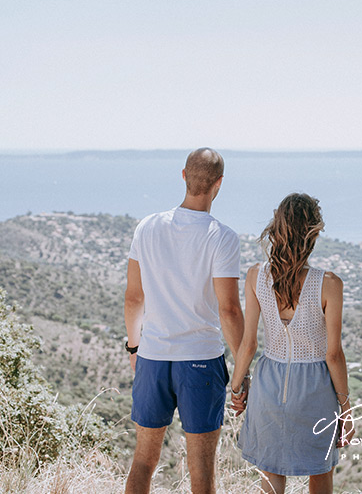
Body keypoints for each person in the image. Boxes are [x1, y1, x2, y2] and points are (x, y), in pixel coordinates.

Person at [123, 147, 245, 494]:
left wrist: (135, 346)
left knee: (143, 463)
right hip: (201, 362)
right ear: (219, 184)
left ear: (183, 176)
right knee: (202, 475)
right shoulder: (222, 237)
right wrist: (240, 370)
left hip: (153, 356)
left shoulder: (147, 227)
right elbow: (229, 310)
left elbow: (134, 298)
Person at [230, 193, 354, 494]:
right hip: (315, 389)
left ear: (277, 228)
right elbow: (334, 355)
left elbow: (248, 344)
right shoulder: (329, 284)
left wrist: (236, 389)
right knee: (320, 473)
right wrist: (347, 410)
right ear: (312, 234)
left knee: (270, 477)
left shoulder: (255, 276)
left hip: (268, 385)